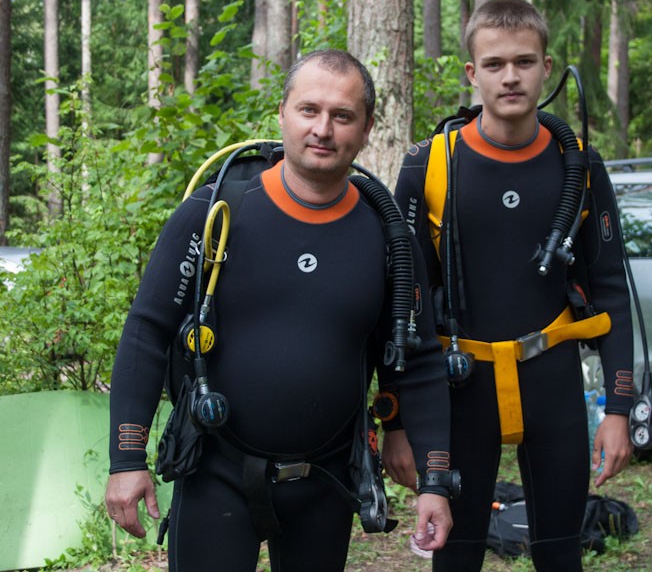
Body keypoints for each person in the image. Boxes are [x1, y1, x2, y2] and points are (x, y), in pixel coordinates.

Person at [105, 49, 454, 572]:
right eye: (309, 110)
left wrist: (435, 480)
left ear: (366, 129)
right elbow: (146, 334)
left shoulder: (387, 238)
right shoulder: (213, 214)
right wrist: (127, 459)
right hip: (215, 472)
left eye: (342, 116)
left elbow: (420, 360)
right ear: (283, 113)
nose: (323, 129)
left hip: (326, 480)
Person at [389, 0, 635, 571]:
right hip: (460, 382)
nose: (511, 76)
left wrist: (619, 407)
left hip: (551, 376)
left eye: (524, 62)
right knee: (456, 554)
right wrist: (396, 419)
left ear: (547, 68)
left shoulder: (580, 166)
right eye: (494, 64)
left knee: (560, 552)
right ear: (472, 73)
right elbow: (403, 304)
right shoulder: (428, 164)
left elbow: (610, 288)